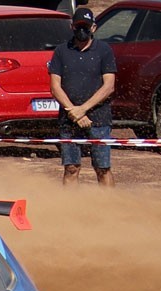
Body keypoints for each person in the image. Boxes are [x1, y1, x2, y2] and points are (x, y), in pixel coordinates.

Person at [48, 7, 117, 187]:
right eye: (78, 26)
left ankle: (111, 208)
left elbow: (109, 86)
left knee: (102, 168)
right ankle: (69, 209)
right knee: (71, 167)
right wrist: (73, 111)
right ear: (72, 27)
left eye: (85, 26)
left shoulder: (104, 50)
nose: (82, 30)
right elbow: (55, 87)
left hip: (99, 119)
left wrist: (82, 110)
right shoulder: (61, 51)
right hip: (69, 119)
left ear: (93, 28)